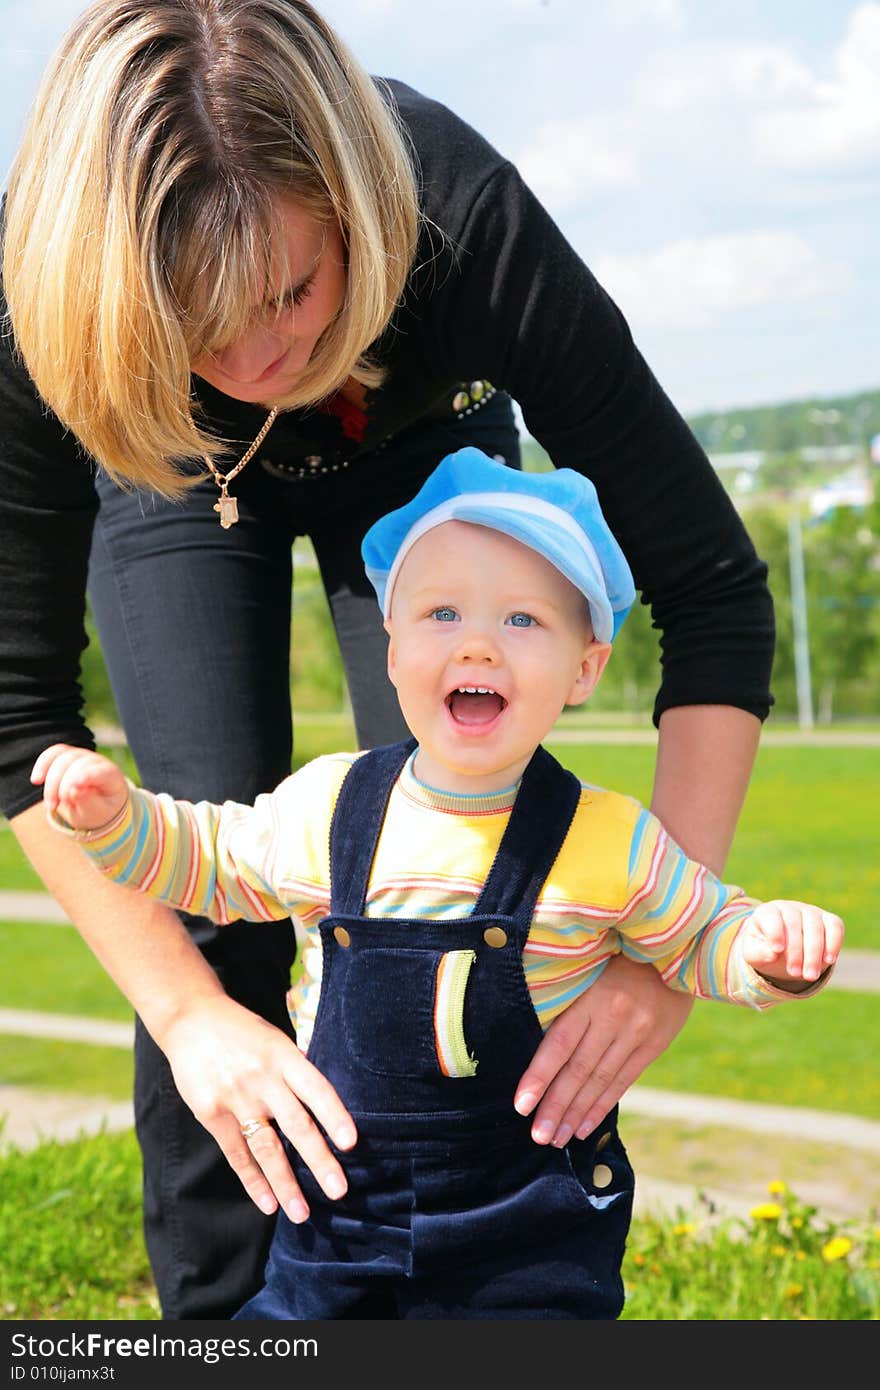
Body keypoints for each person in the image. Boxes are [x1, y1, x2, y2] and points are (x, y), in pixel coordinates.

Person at [1, 0, 776, 1320]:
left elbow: (713, 593)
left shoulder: (461, 215)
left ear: (355, 209)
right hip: (177, 477)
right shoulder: (49, 286)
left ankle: (502, 1292)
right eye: (203, 323)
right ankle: (230, 1330)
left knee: (451, 869)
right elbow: (16, 708)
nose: (256, 360)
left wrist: (657, 962)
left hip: (423, 455)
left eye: (291, 293)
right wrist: (191, 1017)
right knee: (211, 911)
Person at [32, 452, 843, 1321]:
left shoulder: (614, 840)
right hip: (336, 1225)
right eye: (442, 612)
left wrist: (767, 949)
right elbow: (204, 860)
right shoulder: (327, 804)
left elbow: (701, 936)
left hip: (525, 1236)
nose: (477, 641)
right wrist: (113, 818)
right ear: (391, 647)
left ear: (586, 670)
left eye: (523, 619)